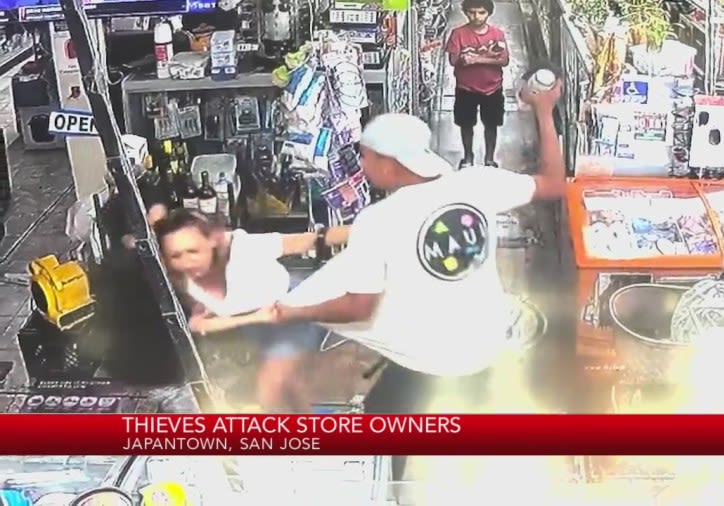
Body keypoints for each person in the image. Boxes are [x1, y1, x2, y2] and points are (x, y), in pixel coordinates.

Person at [273, 82, 564, 476]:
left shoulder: (378, 221)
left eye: (366, 157)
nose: (361, 165)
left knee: (383, 439)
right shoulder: (476, 183)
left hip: (427, 361)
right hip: (485, 348)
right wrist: (544, 110)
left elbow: (359, 306)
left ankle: (391, 486)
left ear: (391, 165)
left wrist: (293, 311)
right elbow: (552, 182)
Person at [147, 206, 349, 412]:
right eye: (176, 255)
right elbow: (198, 324)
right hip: (259, 322)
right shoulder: (182, 278)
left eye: (193, 251)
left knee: (270, 389)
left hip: (290, 309)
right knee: (290, 387)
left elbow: (304, 240)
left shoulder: (243, 247)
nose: (187, 262)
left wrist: (364, 232)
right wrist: (254, 318)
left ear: (211, 241)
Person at [445, 0, 509, 168]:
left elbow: (504, 59)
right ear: (466, 12)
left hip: (493, 88)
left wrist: (475, 59)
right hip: (466, 88)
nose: (477, 17)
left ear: (488, 13)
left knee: (492, 125)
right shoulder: (457, 34)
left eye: (481, 12)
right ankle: (468, 157)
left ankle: (489, 158)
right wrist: (472, 59)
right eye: (472, 12)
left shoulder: (497, 34)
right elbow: (453, 60)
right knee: (466, 124)